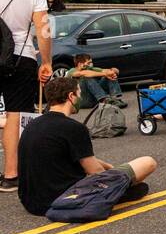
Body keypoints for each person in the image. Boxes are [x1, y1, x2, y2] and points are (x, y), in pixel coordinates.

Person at [16, 77, 156, 216]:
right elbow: (95, 171)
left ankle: (120, 191)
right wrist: (116, 177)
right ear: (71, 96)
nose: (80, 98)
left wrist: (108, 165)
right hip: (63, 200)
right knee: (148, 162)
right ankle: (117, 193)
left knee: (122, 176)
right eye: (79, 93)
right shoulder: (73, 128)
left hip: (31, 203)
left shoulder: (32, 124)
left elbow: (74, 155)